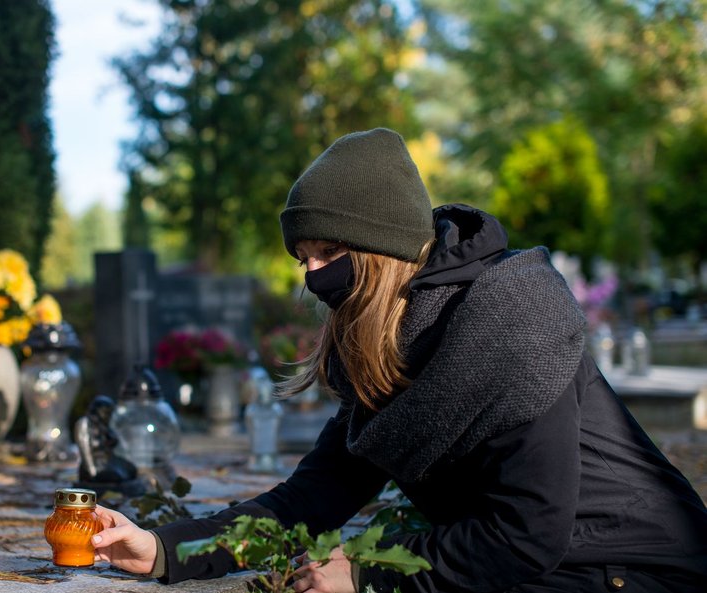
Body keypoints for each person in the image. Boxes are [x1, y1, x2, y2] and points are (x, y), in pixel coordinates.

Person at [90, 128, 707, 592]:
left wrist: (367, 578)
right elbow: (311, 500)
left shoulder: (511, 324)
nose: (312, 276)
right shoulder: (387, 346)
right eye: (301, 257)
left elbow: (527, 531)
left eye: (329, 250)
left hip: (631, 569)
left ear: (381, 249)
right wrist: (163, 550)